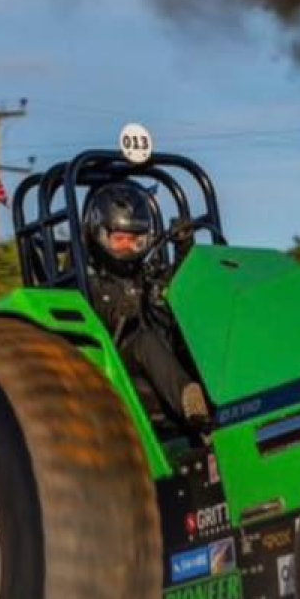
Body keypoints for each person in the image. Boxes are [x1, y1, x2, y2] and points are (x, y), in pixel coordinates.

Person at [83, 181, 211, 430]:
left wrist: (184, 248)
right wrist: (126, 305)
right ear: (100, 235)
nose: (128, 246)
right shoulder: (90, 280)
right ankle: (191, 403)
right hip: (116, 359)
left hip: (159, 354)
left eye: (135, 239)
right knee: (143, 340)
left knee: (186, 327)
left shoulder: (146, 273)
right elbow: (99, 320)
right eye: (119, 239)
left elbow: (179, 285)